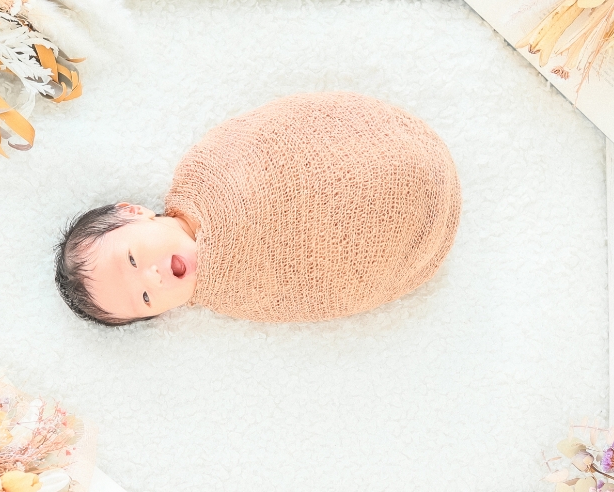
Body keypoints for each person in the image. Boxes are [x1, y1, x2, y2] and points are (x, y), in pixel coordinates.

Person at [55, 92, 461, 326]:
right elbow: (314, 295)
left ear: (133, 212)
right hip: (412, 235)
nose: (154, 278)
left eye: (132, 259)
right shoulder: (241, 296)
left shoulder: (203, 172)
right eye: (145, 298)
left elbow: (270, 137)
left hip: (379, 147)